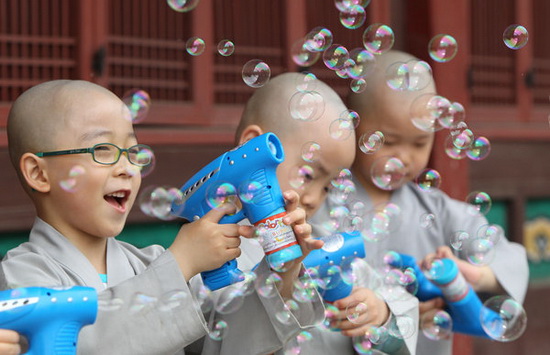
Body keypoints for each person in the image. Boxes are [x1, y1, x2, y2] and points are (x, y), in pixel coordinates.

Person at [0, 80, 321, 355]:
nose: (127, 167)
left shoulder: (149, 262)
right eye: (103, 150)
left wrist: (282, 275)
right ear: (38, 173)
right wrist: (180, 263)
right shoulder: (22, 276)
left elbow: (226, 342)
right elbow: (82, 344)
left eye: (133, 151)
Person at [311, 50, 529, 354]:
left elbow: (506, 258)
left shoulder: (439, 210)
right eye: (388, 141)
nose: (404, 157)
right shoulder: (318, 203)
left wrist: (473, 275)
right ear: (353, 127)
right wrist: (401, 314)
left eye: (419, 142)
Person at [226, 72, 419, 355]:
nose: (315, 199)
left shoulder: (324, 243)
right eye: (307, 174)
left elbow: (397, 309)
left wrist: (380, 313)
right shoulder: (215, 254)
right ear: (254, 149)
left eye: (328, 187)